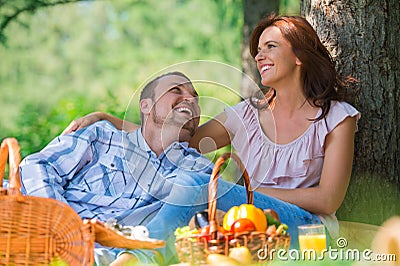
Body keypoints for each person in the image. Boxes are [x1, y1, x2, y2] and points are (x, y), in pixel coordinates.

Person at [64, 13, 360, 246]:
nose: (259, 57)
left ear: (300, 57)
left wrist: (244, 193)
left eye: (271, 47)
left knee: (195, 183)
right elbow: (177, 143)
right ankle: (126, 247)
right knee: (188, 185)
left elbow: (327, 199)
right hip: (248, 221)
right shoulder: (246, 114)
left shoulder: (336, 118)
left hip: (308, 229)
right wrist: (109, 119)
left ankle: (135, 251)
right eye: (258, 50)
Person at [20, 72, 216, 265]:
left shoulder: (198, 170)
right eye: (176, 90)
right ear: (146, 105)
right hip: (45, 237)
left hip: (112, 257)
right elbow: (37, 167)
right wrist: (64, 229)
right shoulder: (102, 136)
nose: (190, 99)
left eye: (195, 97)